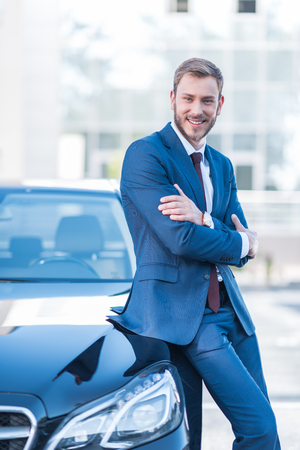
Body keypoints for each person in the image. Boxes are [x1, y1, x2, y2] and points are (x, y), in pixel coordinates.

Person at [108, 58, 281, 449]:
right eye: (188, 98)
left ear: (220, 105)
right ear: (173, 98)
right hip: (184, 316)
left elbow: (240, 247)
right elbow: (181, 240)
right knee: (248, 430)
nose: (196, 110)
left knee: (261, 428)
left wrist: (204, 218)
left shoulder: (221, 165)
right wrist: (240, 241)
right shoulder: (146, 155)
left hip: (232, 314)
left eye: (207, 100)